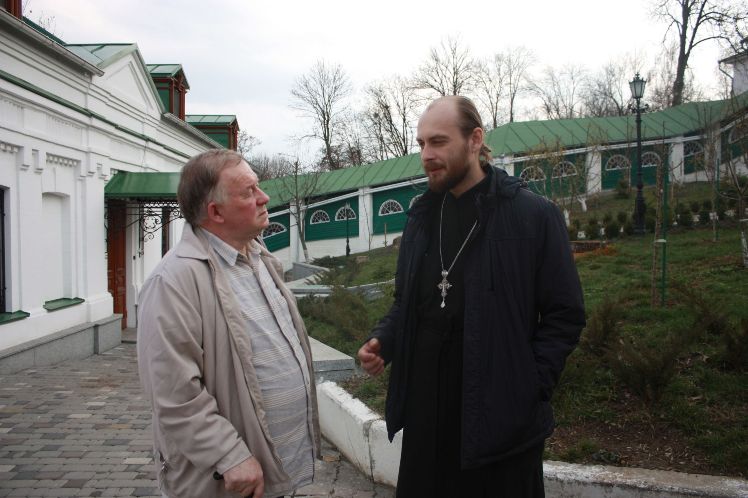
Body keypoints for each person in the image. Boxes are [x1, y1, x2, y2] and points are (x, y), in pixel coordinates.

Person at [357, 96, 585, 497]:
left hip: (501, 425)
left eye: (438, 142)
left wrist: (529, 385)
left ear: (475, 140)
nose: (426, 155)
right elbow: (407, 303)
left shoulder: (532, 216)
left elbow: (564, 314)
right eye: (421, 143)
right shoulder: (421, 219)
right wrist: (384, 340)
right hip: (427, 421)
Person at [137, 149, 320, 498]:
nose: (264, 197)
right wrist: (228, 454)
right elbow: (172, 392)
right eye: (249, 192)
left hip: (275, 469)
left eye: (258, 186)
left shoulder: (258, 256)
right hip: (227, 480)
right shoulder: (173, 281)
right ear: (216, 212)